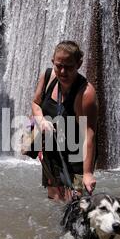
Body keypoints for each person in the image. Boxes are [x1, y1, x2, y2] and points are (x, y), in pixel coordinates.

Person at [31, 41, 98, 201]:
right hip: (52, 151)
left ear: (79, 64)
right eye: (59, 65)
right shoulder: (47, 77)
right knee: (54, 199)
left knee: (75, 203)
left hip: (77, 157)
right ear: (53, 62)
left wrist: (87, 173)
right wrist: (41, 120)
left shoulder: (86, 94)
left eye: (69, 67)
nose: (63, 71)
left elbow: (89, 135)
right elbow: (35, 103)